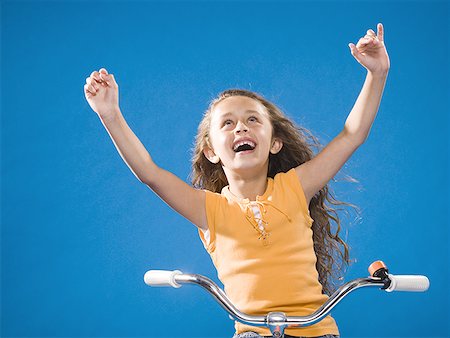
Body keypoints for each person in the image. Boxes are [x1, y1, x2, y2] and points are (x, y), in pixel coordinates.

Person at [84, 23, 390, 338]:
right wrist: (110, 115)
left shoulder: (294, 187)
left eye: (252, 119)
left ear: (275, 143)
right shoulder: (209, 210)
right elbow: (149, 172)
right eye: (227, 123)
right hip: (253, 333)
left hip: (318, 330)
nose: (240, 128)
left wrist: (376, 74)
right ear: (211, 151)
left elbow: (352, 135)